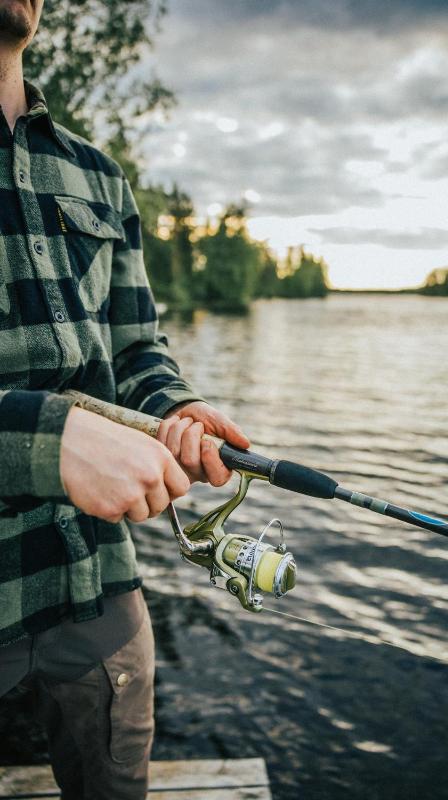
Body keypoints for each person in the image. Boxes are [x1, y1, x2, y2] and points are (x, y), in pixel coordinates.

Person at [0, 1, 250, 797]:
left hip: (94, 579)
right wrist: (52, 439)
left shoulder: (100, 176)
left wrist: (176, 407)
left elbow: (136, 348)